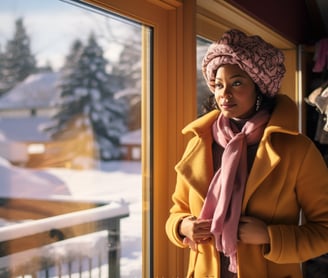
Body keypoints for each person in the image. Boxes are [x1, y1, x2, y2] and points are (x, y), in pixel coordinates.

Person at [165, 29, 328, 278]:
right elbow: (177, 211)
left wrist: (269, 236)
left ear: (260, 88)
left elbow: (324, 231)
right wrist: (182, 226)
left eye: (237, 83)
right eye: (218, 85)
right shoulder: (198, 143)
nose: (224, 94)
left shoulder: (297, 150)